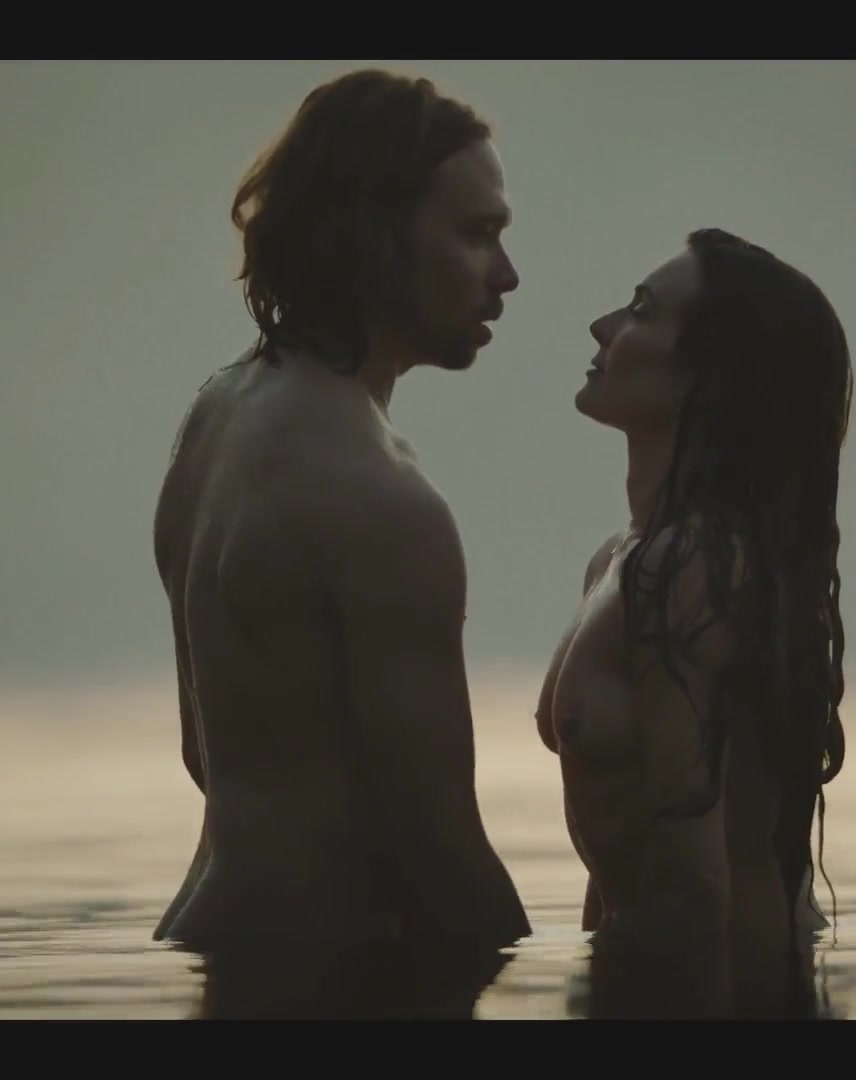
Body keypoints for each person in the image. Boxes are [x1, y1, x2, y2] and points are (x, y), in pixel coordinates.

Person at [149, 68, 529, 1017]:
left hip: (215, 948)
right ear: (373, 232)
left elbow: (208, 754)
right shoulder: (381, 499)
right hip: (322, 974)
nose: (506, 276)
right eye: (477, 234)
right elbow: (443, 853)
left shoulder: (218, 415)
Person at [535, 227, 852, 1019]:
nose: (603, 327)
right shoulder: (625, 560)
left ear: (710, 378)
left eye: (641, 311)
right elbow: (622, 869)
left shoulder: (689, 570)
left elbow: (695, 886)